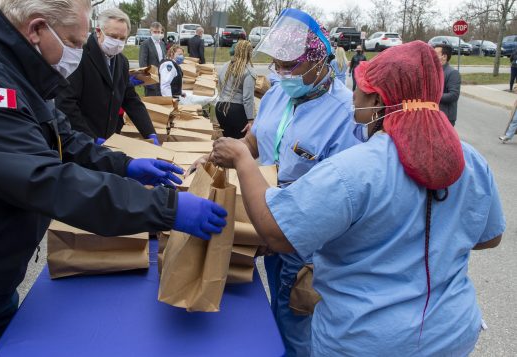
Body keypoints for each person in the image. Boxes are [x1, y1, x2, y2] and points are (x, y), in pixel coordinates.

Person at [0, 1, 229, 355]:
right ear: (36, 30)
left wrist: (123, 165)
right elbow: (46, 181)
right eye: (75, 43)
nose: (79, 52)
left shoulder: (16, 71)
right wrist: (167, 207)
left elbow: (62, 138)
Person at [210, 41, 504, 356]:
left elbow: (275, 231)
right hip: (452, 332)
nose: (352, 95)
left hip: (366, 340)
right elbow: (489, 236)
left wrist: (242, 158)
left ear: (378, 101)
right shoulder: (471, 160)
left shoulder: (355, 169)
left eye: (360, 88)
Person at [190, 10, 360, 356]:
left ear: (320, 62)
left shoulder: (346, 114)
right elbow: (256, 142)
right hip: (266, 222)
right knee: (273, 308)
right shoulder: (278, 93)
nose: (281, 73)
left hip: (308, 242)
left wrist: (286, 233)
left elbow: (344, 193)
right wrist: (216, 157)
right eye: (277, 64)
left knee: (294, 317)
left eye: (290, 65)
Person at [56, 8, 158, 145]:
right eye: (113, 36)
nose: (117, 42)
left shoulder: (121, 62)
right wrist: (90, 138)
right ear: (99, 32)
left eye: (122, 38)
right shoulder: (79, 55)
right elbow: (65, 102)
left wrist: (149, 132)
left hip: (108, 139)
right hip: (79, 140)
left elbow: (130, 99)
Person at [216, 40, 256, 139]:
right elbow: (247, 98)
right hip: (236, 110)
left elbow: (220, 85)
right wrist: (250, 119)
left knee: (228, 142)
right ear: (249, 53)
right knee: (239, 143)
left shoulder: (225, 66)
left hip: (220, 107)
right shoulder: (248, 71)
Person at [434, 43, 461, 126]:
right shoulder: (434, 71)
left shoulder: (453, 73)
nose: (432, 56)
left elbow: (453, 95)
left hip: (446, 118)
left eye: (435, 54)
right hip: (435, 116)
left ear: (444, 56)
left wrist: (434, 96)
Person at [139, 22, 166, 96]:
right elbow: (142, 62)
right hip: (150, 76)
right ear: (150, 32)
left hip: (161, 76)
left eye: (159, 32)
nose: (157, 33)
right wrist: (145, 78)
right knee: (151, 99)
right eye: (155, 32)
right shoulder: (145, 44)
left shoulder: (162, 44)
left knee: (160, 99)